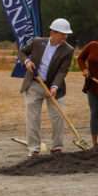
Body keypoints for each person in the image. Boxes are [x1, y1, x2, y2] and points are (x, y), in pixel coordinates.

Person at [17, 18, 75, 155]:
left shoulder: (68, 50)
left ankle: (57, 147)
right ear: (53, 32)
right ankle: (34, 149)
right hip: (35, 84)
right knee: (33, 118)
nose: (65, 37)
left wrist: (54, 86)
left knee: (58, 117)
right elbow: (21, 52)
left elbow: (62, 71)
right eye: (63, 34)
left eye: (66, 34)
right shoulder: (37, 42)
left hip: (55, 87)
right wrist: (26, 61)